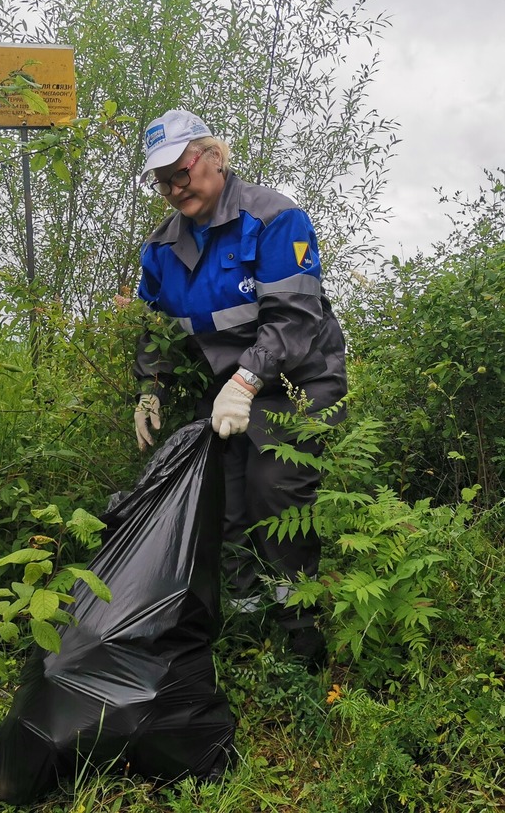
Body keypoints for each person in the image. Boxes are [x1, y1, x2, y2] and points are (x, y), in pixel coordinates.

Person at [130, 109, 347, 667]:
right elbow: (154, 328)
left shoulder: (274, 219)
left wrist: (249, 380)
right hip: (224, 388)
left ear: (215, 157)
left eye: (183, 172)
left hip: (297, 380)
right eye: (164, 180)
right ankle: (249, 627)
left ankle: (299, 629)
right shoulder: (160, 250)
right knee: (222, 501)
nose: (175, 188)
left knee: (273, 489)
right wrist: (151, 386)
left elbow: (295, 318)